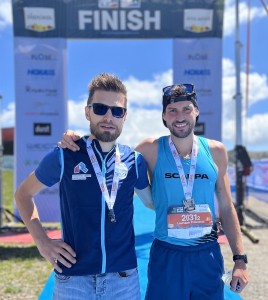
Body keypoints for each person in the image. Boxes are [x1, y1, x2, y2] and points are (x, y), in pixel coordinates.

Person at [59, 83, 249, 300]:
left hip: (207, 255)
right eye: (172, 110)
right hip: (166, 255)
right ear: (164, 117)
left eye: (186, 109)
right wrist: (77, 139)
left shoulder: (216, 151)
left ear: (196, 111)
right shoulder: (149, 149)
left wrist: (240, 260)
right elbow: (109, 154)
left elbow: (225, 205)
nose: (180, 116)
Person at [15, 73, 153, 300]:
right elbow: (23, 194)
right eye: (100, 108)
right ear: (87, 111)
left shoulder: (134, 160)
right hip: (73, 280)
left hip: (123, 280)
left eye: (116, 111)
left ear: (124, 117)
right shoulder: (65, 154)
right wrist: (42, 241)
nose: (109, 116)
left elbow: (154, 203)